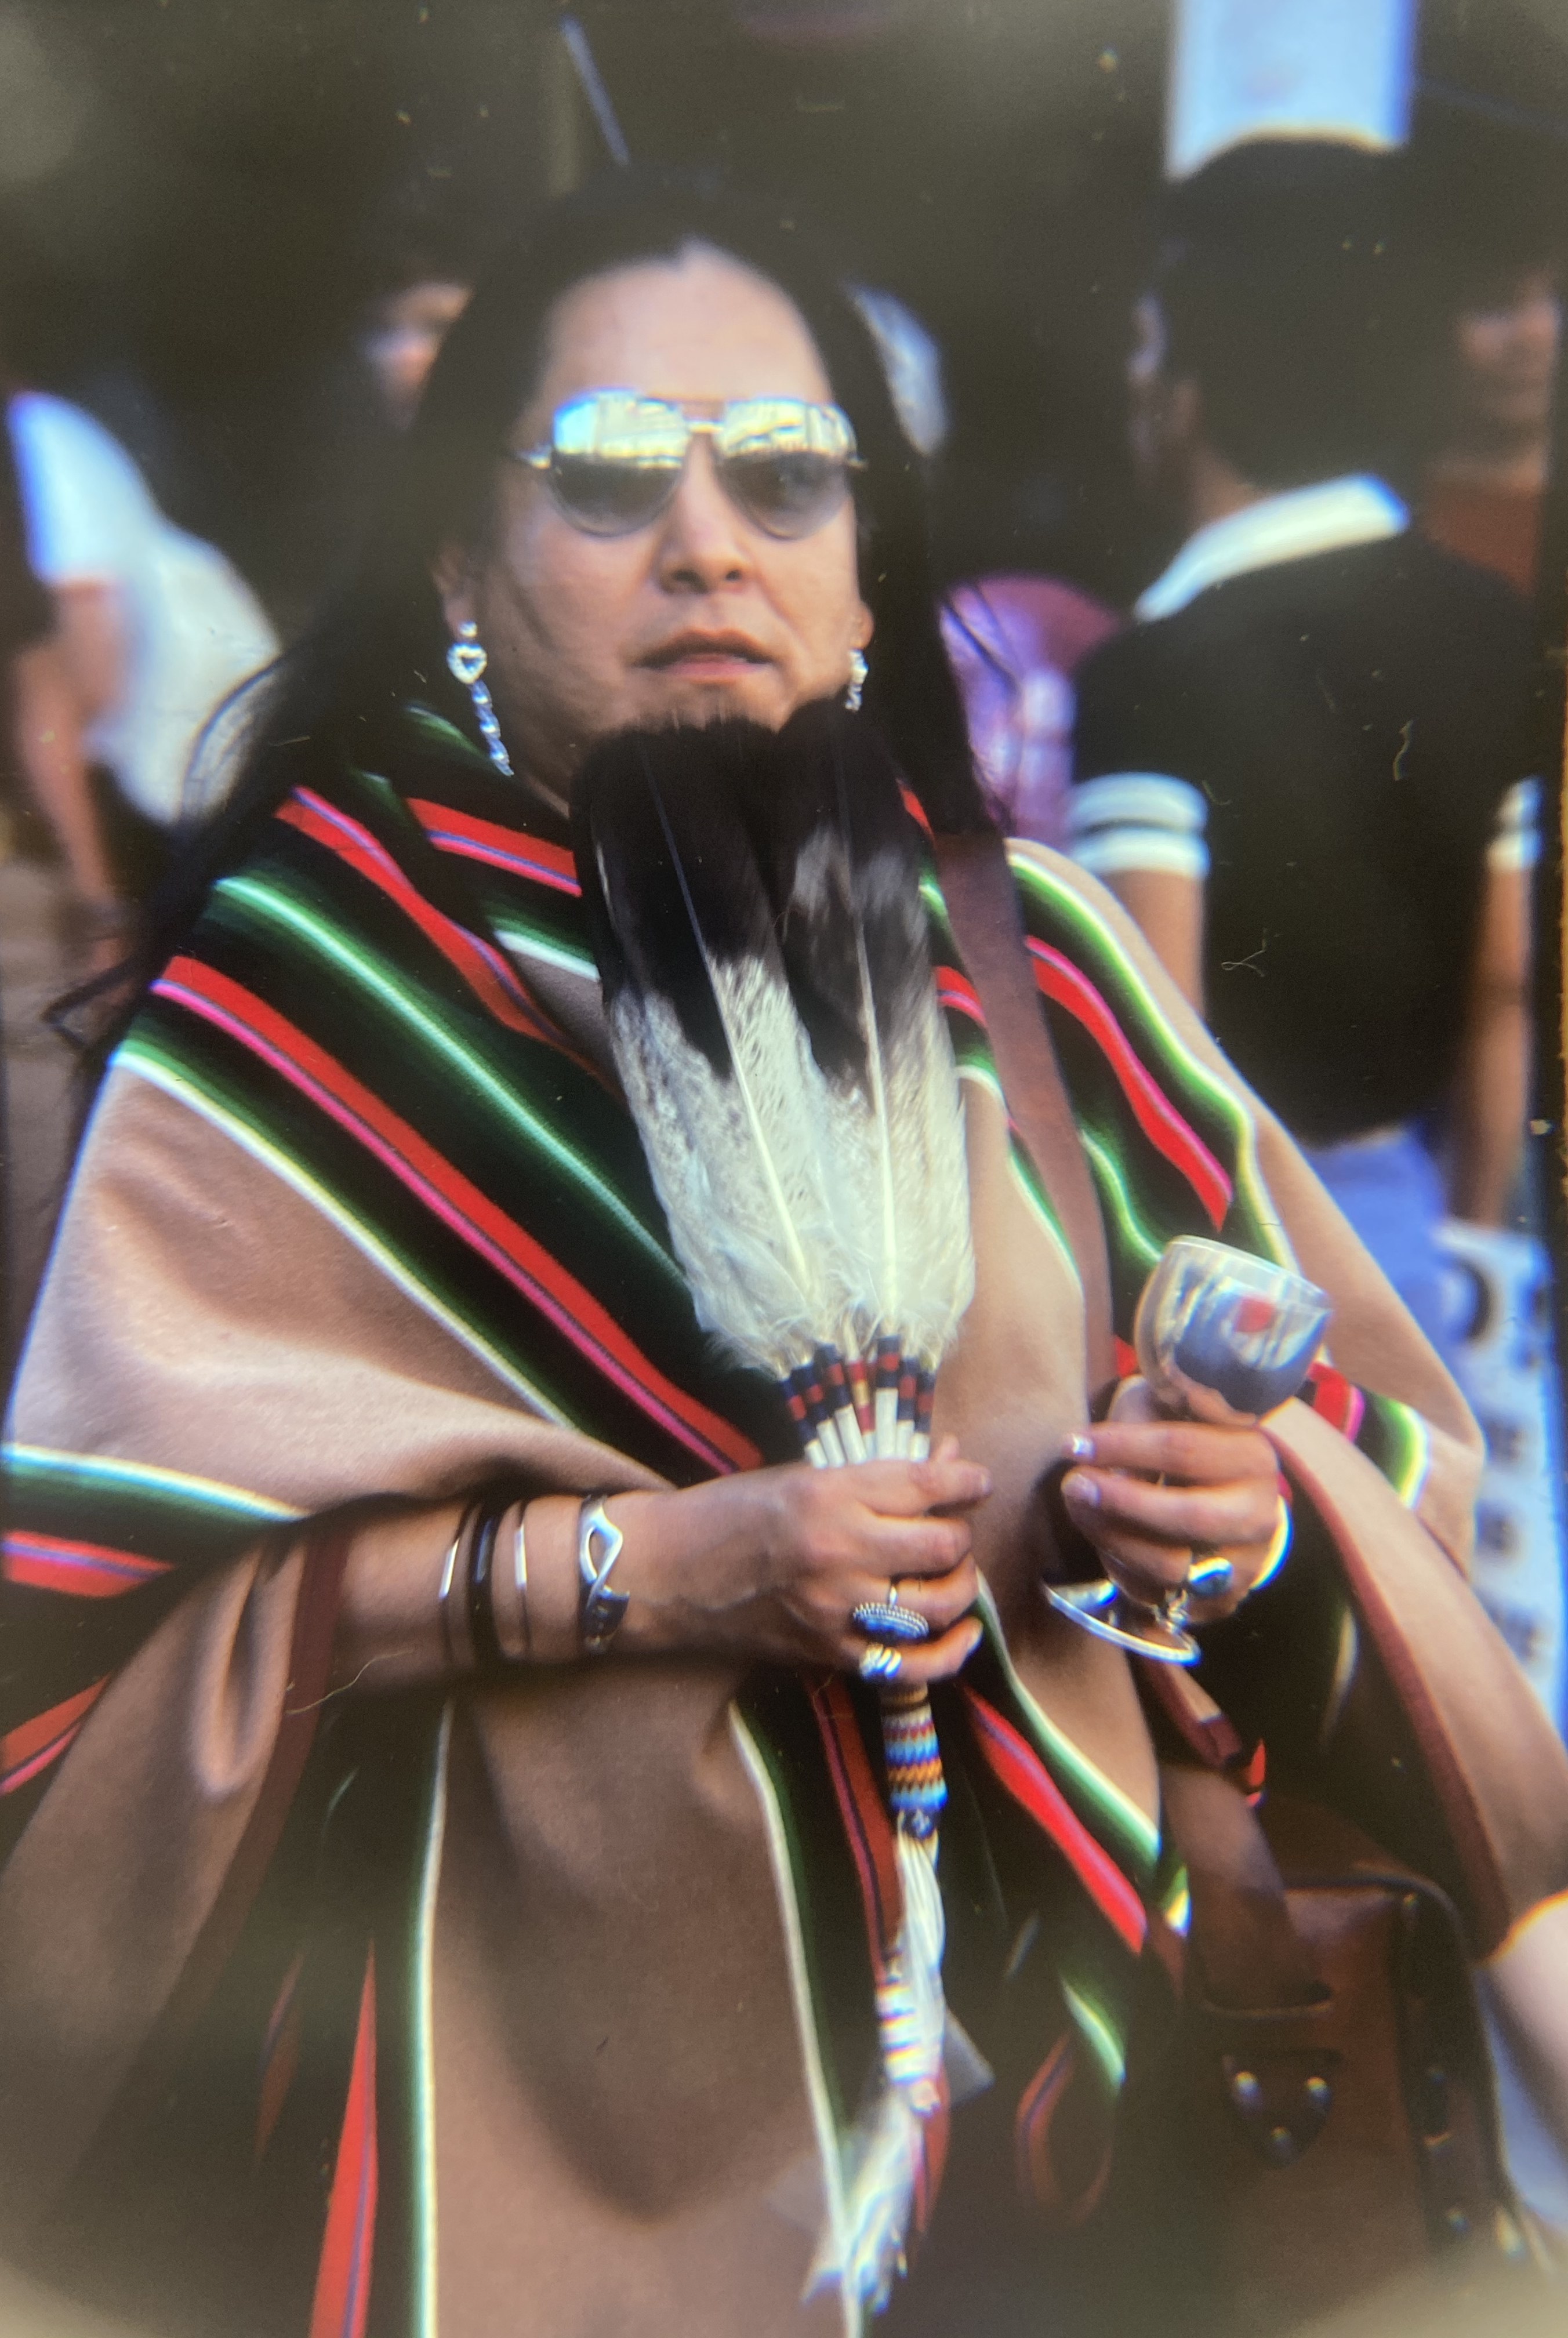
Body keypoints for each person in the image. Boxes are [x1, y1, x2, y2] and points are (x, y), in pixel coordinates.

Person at [1, 177, 1565, 2338]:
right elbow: (92, 1637)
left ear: (864, 567)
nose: (709, 539)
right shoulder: (308, 1012)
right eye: (613, 472)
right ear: (464, 554)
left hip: (1063, 2124)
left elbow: (1381, 1441)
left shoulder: (1028, 969)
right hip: (502, 2169)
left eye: (790, 473)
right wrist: (650, 1571)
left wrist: (1238, 1522)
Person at [1068, 143, 1541, 1361]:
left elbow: (1156, 1043)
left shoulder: (1150, 677)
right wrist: (1476, 1241)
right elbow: (1503, 984)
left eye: (1143, 345)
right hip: (1410, 1224)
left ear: (1186, 387)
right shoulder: (1491, 624)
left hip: (1233, 1256)